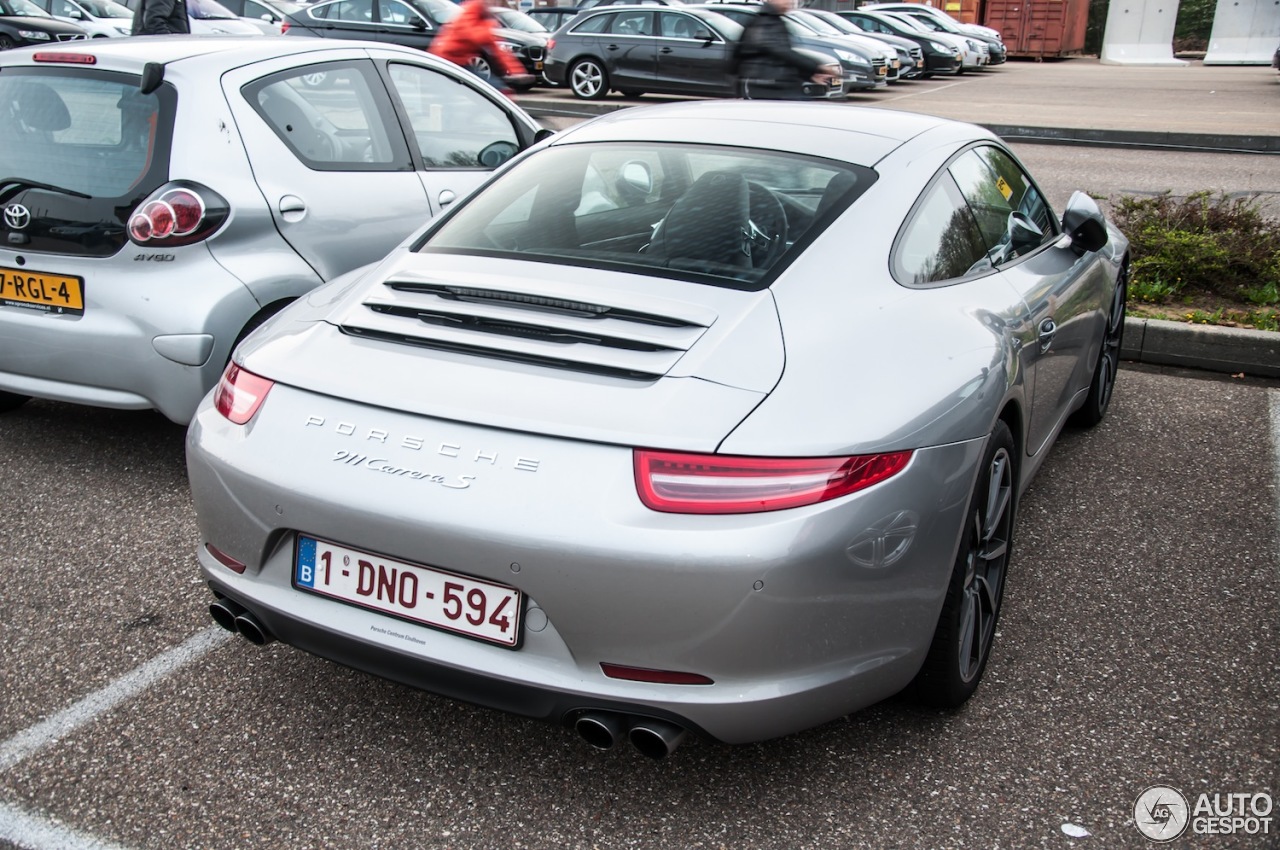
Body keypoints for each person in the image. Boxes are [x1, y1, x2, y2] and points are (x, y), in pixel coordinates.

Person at [731, 0, 839, 100]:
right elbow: (781, 52)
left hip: (774, 83)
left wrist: (809, 75)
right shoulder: (766, 23)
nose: (789, 2)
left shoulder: (774, 21)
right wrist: (816, 67)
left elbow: (783, 58)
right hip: (763, 85)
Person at [429, 0, 535, 94]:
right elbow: (474, 35)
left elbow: (500, 52)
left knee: (495, 89)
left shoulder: (483, 20)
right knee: (491, 89)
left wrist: (517, 71)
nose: (492, 4)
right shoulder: (471, 12)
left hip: (463, 62)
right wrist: (489, 29)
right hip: (448, 60)